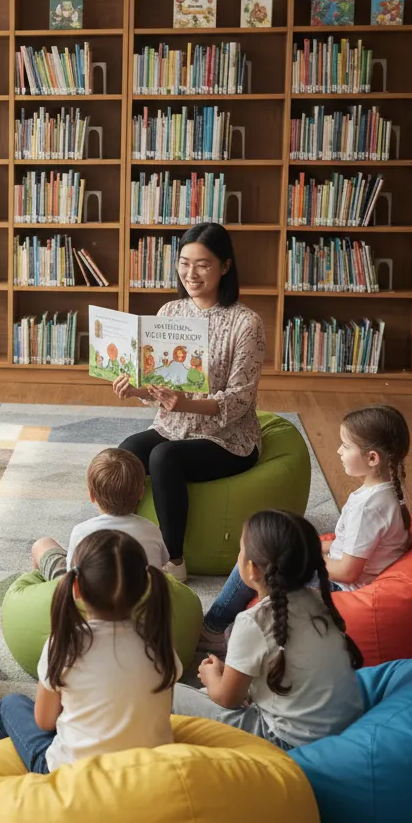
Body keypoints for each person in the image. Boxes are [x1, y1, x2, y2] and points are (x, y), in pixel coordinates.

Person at [113, 223, 266, 582]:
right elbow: (162, 386)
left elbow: (240, 401)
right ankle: (123, 543)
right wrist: (138, 390)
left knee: (164, 458)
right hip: (174, 425)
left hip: (228, 437)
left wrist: (185, 405)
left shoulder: (246, 323)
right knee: (127, 453)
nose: (190, 274)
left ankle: (175, 562)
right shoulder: (169, 313)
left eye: (203, 264)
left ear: (225, 267)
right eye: (184, 263)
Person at [200, 404, 411, 653]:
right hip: (342, 572)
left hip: (339, 586)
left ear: (372, 458)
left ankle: (213, 629)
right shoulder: (388, 491)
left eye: (346, 445)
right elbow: (352, 543)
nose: (338, 451)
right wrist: (308, 545)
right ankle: (225, 620)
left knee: (257, 557)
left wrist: (308, 556)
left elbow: (348, 571)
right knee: (272, 543)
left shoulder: (370, 507)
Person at [0, 530, 181, 774]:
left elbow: (44, 721)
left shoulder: (64, 643)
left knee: (9, 705)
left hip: (70, 777)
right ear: (145, 586)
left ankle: (6, 789)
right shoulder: (158, 640)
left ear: (76, 587)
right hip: (144, 774)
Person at [173, 510, 364, 749]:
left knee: (170, 694)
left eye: (241, 549)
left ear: (252, 569)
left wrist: (213, 678)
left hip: (285, 741)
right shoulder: (318, 599)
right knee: (203, 696)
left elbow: (227, 699)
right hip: (342, 726)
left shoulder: (252, 622)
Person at [31, 448, 169, 580]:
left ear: (91, 495)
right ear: (141, 493)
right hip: (143, 596)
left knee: (42, 544)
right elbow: (162, 562)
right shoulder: (152, 530)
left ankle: (44, 593)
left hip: (90, 598)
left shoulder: (81, 532)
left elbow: (72, 574)